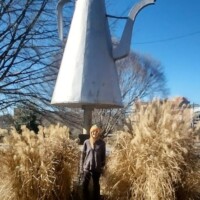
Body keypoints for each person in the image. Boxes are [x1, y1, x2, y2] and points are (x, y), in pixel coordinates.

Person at [81, 124, 106, 200]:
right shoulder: (86, 142)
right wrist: (81, 168)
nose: (94, 133)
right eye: (93, 131)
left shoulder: (102, 143)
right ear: (90, 132)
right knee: (84, 185)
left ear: (98, 132)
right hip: (87, 168)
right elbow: (82, 156)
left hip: (97, 168)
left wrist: (103, 168)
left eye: (96, 131)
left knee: (96, 186)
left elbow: (103, 157)